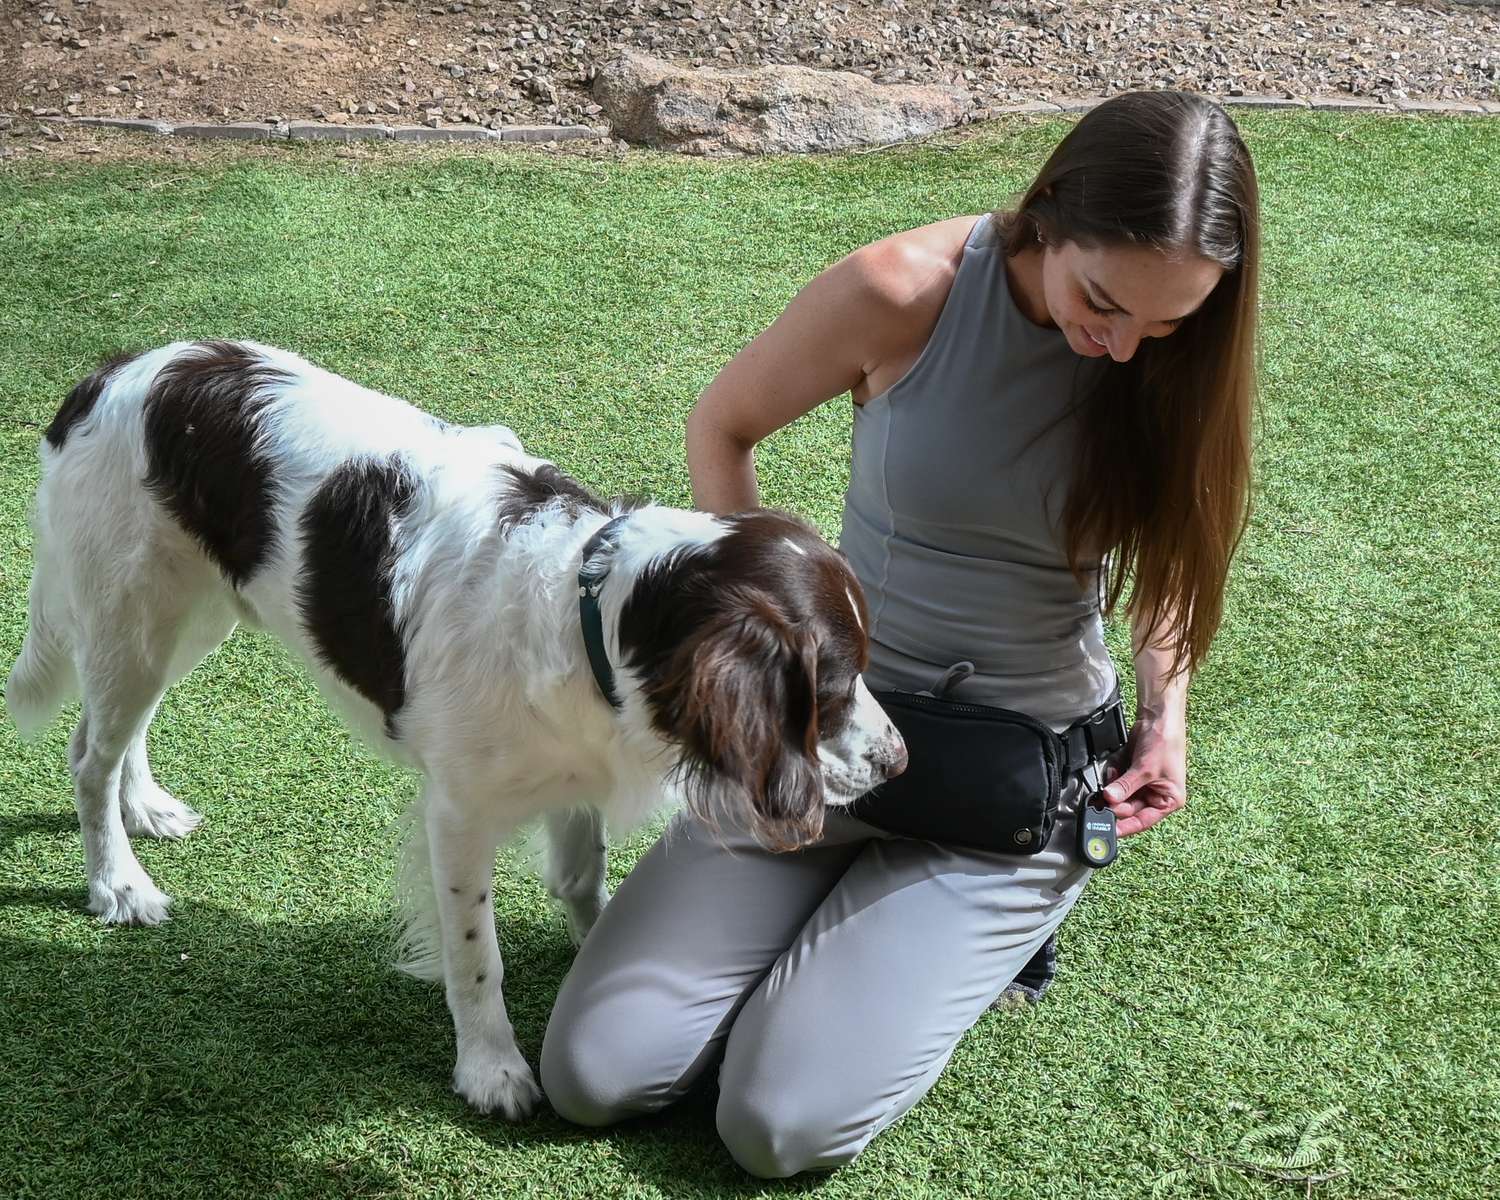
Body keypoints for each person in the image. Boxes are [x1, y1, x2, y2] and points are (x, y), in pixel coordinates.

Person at [539, 90, 1260, 1177]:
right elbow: (723, 426)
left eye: (1165, 325)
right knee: (593, 1075)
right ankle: (847, 941)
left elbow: (1170, 563)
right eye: (1104, 301)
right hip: (830, 740)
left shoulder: (1173, 359)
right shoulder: (904, 291)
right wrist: (767, 651)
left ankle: (991, 923)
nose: (1121, 348)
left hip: (1010, 787)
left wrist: (1168, 721)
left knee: (773, 1128)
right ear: (1051, 208)